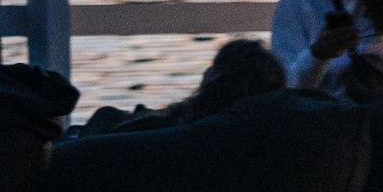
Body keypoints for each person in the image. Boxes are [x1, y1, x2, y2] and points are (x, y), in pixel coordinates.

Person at [76, 37, 287, 136]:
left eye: (214, 66)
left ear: (216, 79)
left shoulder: (174, 131)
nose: (206, 70)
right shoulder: (260, 133)